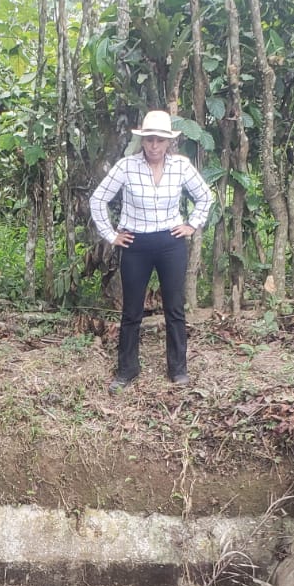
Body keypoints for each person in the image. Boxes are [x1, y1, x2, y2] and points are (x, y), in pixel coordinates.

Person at [89, 109, 214, 392]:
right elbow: (98, 199)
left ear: (169, 141)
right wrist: (111, 235)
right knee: (132, 310)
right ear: (142, 141)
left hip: (171, 243)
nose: (154, 146)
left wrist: (191, 225)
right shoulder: (126, 166)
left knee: (174, 308)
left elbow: (205, 196)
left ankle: (178, 369)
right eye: (149, 140)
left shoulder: (181, 166)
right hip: (136, 244)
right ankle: (127, 370)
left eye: (160, 140)